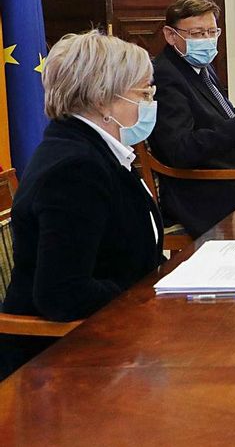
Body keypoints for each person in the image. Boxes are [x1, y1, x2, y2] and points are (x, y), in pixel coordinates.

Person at [1, 32, 164, 379]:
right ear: (103, 100)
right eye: (143, 92)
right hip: (59, 362)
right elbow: (61, 294)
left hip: (112, 333)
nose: (151, 102)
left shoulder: (93, 148)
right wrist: (142, 298)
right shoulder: (75, 169)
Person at [149, 0, 235, 237]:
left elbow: (218, 117)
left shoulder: (200, 66)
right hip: (205, 189)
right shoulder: (166, 76)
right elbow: (180, 150)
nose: (207, 40)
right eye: (197, 34)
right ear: (170, 35)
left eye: (212, 32)